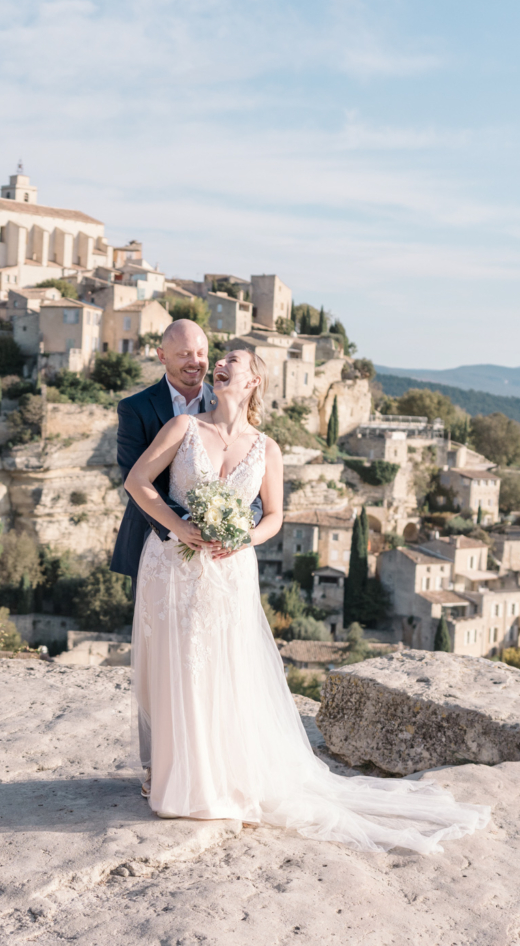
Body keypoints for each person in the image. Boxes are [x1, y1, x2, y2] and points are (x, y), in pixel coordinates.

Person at [122, 346, 491, 854]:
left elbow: (274, 517)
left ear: (253, 381)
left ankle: (223, 778)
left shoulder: (267, 448)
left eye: (232, 360)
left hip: (231, 570)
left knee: (225, 668)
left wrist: (242, 537)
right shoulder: (183, 428)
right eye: (219, 359)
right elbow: (137, 481)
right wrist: (181, 527)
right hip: (174, 567)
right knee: (179, 667)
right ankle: (179, 780)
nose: (219, 365)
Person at [110, 321, 262, 795]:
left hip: (221, 558)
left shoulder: (225, 404)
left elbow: (250, 484)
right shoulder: (137, 409)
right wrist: (187, 528)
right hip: (161, 548)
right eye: (184, 355)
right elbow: (135, 480)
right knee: (161, 661)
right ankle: (160, 768)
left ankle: (213, 762)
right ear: (162, 356)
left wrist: (233, 525)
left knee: (215, 659)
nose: (196, 362)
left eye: (202, 352)